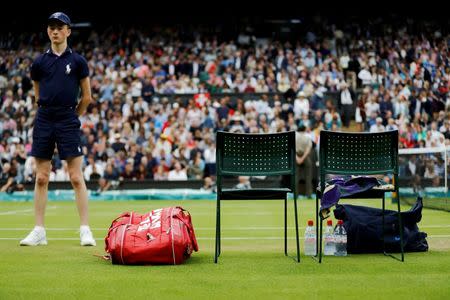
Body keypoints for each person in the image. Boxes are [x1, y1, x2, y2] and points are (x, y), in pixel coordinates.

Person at [20, 12, 96, 246]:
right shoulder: (39, 62)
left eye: (60, 27)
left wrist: (72, 117)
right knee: (41, 177)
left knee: (75, 176)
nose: (55, 31)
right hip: (44, 118)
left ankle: (85, 229)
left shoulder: (78, 61)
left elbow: (87, 97)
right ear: (48, 31)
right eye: (52, 27)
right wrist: (42, 106)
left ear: (68, 31)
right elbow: (36, 88)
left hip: (67, 118)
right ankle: (39, 230)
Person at [295, 125, 313, 198]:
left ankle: (295, 195)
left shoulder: (294, 136)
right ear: (304, 129)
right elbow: (308, 150)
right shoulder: (308, 136)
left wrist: (297, 158)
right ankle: (309, 194)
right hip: (305, 156)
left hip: (296, 156)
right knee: (308, 176)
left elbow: (291, 148)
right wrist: (302, 158)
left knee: (295, 176)